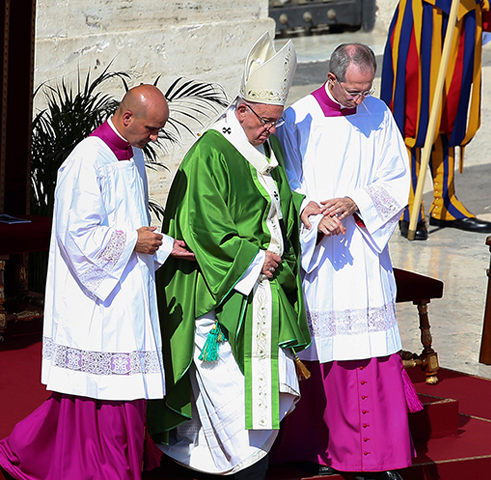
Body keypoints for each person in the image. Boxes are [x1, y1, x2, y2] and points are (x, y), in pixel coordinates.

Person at [0, 85, 193, 480]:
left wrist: (163, 245)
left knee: (120, 388)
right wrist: (133, 242)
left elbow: (132, 220)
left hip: (126, 288)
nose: (155, 138)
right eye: (152, 129)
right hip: (97, 298)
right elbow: (77, 236)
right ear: (126, 118)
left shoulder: (132, 154)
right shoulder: (87, 160)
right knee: (104, 394)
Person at [147, 32, 310, 480]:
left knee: (254, 396)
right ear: (242, 109)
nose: (273, 130)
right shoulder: (210, 153)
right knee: (226, 395)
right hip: (215, 295)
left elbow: (275, 204)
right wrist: (258, 259)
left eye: (277, 122)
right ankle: (217, 469)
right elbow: (203, 226)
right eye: (268, 121)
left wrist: (303, 212)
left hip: (257, 293)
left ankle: (237, 468)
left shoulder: (263, 144)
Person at [271, 44, 419, 480]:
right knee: (327, 350)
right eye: (353, 91)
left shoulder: (378, 114)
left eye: (365, 89)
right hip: (323, 256)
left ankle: (379, 457)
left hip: (365, 251)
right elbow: (286, 185)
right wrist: (314, 218)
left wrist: (356, 202)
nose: (360, 99)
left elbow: (397, 177)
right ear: (331, 79)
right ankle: (321, 447)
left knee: (371, 349)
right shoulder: (299, 119)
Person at [380, 0, 491, 240]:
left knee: (451, 106)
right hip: (422, 12)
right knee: (412, 111)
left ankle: (444, 202)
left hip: (464, 13)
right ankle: (409, 203)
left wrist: (488, 15)